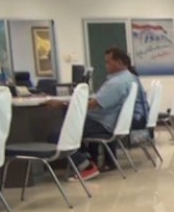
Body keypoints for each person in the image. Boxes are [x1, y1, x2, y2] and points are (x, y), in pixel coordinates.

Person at [47, 48, 148, 179]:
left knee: (58, 135)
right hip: (112, 122)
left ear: (119, 62)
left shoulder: (116, 83)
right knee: (74, 126)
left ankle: (86, 166)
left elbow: (92, 105)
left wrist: (61, 104)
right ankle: (89, 159)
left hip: (104, 123)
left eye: (108, 62)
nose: (106, 65)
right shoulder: (131, 78)